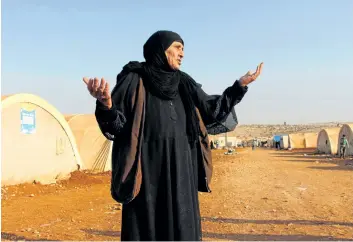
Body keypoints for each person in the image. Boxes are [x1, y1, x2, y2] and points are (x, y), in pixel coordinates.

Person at [82, 30, 263, 241]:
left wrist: (238, 86)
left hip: (181, 168)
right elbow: (118, 126)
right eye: (178, 47)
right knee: (147, 226)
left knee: (181, 225)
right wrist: (106, 106)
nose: (182, 54)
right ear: (160, 48)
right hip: (147, 170)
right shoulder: (134, 79)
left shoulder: (184, 82)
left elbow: (211, 111)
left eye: (183, 49)